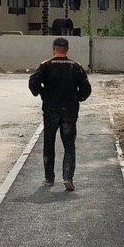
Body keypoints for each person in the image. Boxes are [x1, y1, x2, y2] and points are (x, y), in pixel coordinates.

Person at [28, 37, 92, 191]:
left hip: (51, 111)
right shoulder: (76, 67)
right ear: (67, 50)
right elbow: (86, 89)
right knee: (69, 145)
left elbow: (33, 83)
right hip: (69, 111)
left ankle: (49, 178)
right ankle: (68, 177)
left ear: (53, 49)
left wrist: (41, 93)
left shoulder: (46, 66)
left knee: (49, 143)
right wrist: (78, 98)